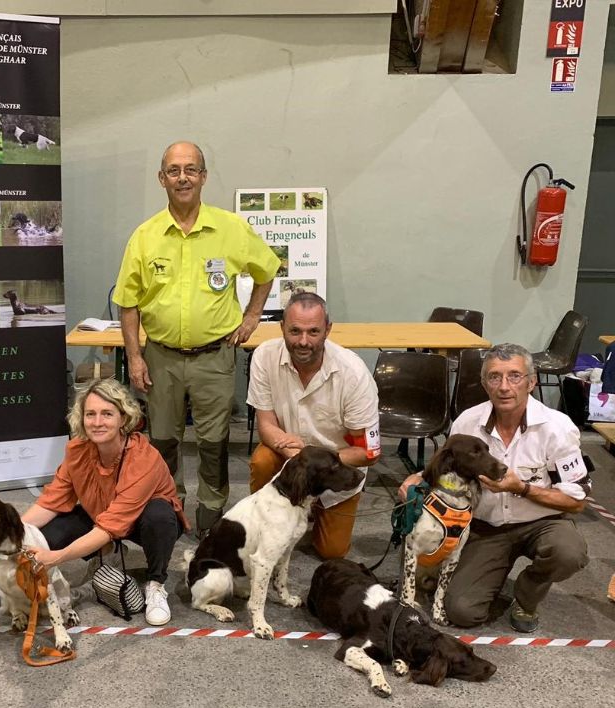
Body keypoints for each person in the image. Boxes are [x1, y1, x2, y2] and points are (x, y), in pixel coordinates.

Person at [112, 141, 280, 535]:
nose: (182, 177)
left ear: (203, 176)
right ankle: (169, 510)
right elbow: (128, 303)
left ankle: (210, 515)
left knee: (214, 441)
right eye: (174, 170)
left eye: (190, 169)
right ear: (162, 178)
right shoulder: (145, 236)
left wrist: (253, 315)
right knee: (164, 440)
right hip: (162, 358)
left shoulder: (231, 229)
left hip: (214, 357)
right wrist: (135, 358)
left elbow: (266, 269)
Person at [399, 343, 590, 632]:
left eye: (514, 376)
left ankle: (527, 596)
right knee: (462, 612)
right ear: (484, 383)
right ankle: (489, 570)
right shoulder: (468, 421)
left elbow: (577, 502)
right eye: (494, 377)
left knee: (568, 552)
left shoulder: (558, 428)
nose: (504, 386)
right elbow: (447, 466)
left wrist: (522, 488)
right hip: (483, 527)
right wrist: (418, 479)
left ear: (532, 381)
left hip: (541, 522)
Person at [23, 379, 190, 626]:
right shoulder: (77, 451)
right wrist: (12, 532)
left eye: (107, 414)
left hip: (144, 522)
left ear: (123, 418)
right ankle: (107, 553)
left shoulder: (144, 457)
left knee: (159, 515)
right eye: (90, 414)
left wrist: (57, 557)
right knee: (44, 532)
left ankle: (156, 584)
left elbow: (112, 524)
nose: (97, 422)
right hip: (101, 514)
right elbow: (51, 502)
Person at [246, 292, 381, 558]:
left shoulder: (353, 374)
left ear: (328, 330)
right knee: (262, 460)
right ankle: (269, 519)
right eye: (295, 331)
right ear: (282, 327)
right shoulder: (264, 356)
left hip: (336, 469)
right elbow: (266, 424)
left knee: (331, 552)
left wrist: (311, 459)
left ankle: (316, 511)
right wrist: (296, 455)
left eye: (313, 332)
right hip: (290, 456)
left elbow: (369, 452)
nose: (303, 341)